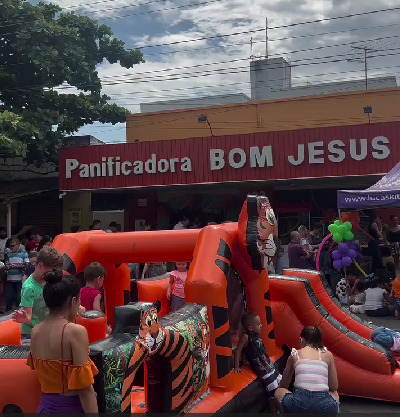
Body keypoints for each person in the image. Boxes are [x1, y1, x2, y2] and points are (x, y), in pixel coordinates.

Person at [27, 269, 98, 413]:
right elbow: (85, 389)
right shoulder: (75, 332)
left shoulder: (36, 331)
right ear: (73, 301)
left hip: (46, 408)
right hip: (71, 409)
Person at [275, 326, 339, 414]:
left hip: (299, 404)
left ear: (301, 340)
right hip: (324, 406)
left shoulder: (295, 354)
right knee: (335, 393)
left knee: (279, 392)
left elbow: (283, 385)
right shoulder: (327, 355)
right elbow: (334, 386)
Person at [13, 247, 64, 343]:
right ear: (41, 266)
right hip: (31, 333)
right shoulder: (29, 288)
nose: (55, 273)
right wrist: (25, 318)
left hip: (47, 329)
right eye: (53, 270)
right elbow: (28, 316)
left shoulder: (51, 280)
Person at [234, 312, 281, 412]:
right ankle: (273, 412)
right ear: (250, 328)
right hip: (264, 373)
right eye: (259, 324)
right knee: (272, 393)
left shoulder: (256, 335)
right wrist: (237, 366)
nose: (261, 325)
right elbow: (238, 350)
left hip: (271, 367)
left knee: (280, 387)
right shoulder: (246, 337)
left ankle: (281, 409)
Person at [4, 238, 28, 311]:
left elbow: (27, 264)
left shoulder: (24, 254)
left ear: (18, 245)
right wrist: (7, 266)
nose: (11, 247)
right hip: (10, 278)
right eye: (10, 246)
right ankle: (8, 312)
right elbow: (7, 264)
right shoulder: (8, 254)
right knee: (8, 297)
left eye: (13, 245)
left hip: (19, 279)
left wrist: (16, 266)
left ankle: (19, 311)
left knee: (19, 297)